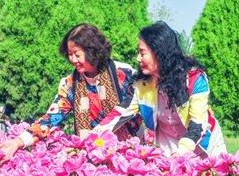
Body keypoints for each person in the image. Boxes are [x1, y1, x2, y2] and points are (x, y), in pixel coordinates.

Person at [0, 23, 140, 158]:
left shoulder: (124, 73)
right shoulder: (69, 84)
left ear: (93, 51)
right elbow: (51, 118)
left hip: (129, 153)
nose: (72, 59)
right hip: (92, 157)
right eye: (70, 54)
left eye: (77, 54)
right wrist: (18, 141)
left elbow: (136, 107)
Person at [93, 21, 226, 157]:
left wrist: (181, 152)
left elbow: (198, 124)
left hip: (203, 149)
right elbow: (119, 114)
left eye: (142, 53)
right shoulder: (141, 85)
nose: (138, 58)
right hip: (168, 150)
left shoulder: (194, 78)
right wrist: (90, 140)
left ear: (159, 53)